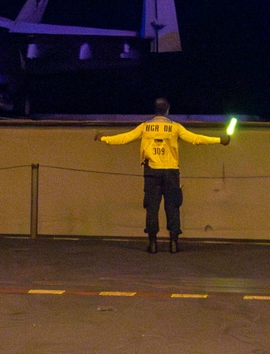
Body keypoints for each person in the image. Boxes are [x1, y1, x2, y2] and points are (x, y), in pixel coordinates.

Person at [95, 98, 230, 253]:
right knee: (173, 207)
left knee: (151, 208)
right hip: (171, 172)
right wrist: (220, 140)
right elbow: (195, 139)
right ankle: (174, 243)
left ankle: (152, 244)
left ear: (155, 110)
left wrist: (104, 138)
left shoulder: (145, 127)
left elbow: (124, 138)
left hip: (151, 172)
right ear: (167, 110)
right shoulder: (175, 127)